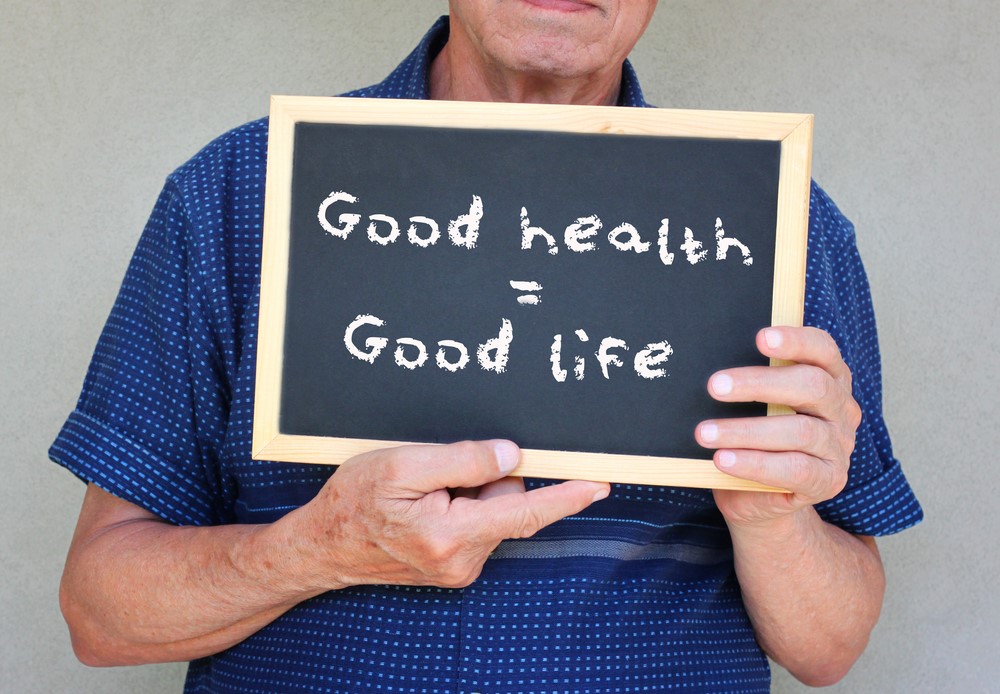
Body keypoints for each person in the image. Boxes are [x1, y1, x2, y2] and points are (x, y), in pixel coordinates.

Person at [52, 2, 922, 692]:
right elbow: (100, 613)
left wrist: (771, 516)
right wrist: (315, 548)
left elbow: (830, 649)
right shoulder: (239, 193)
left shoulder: (782, 226)